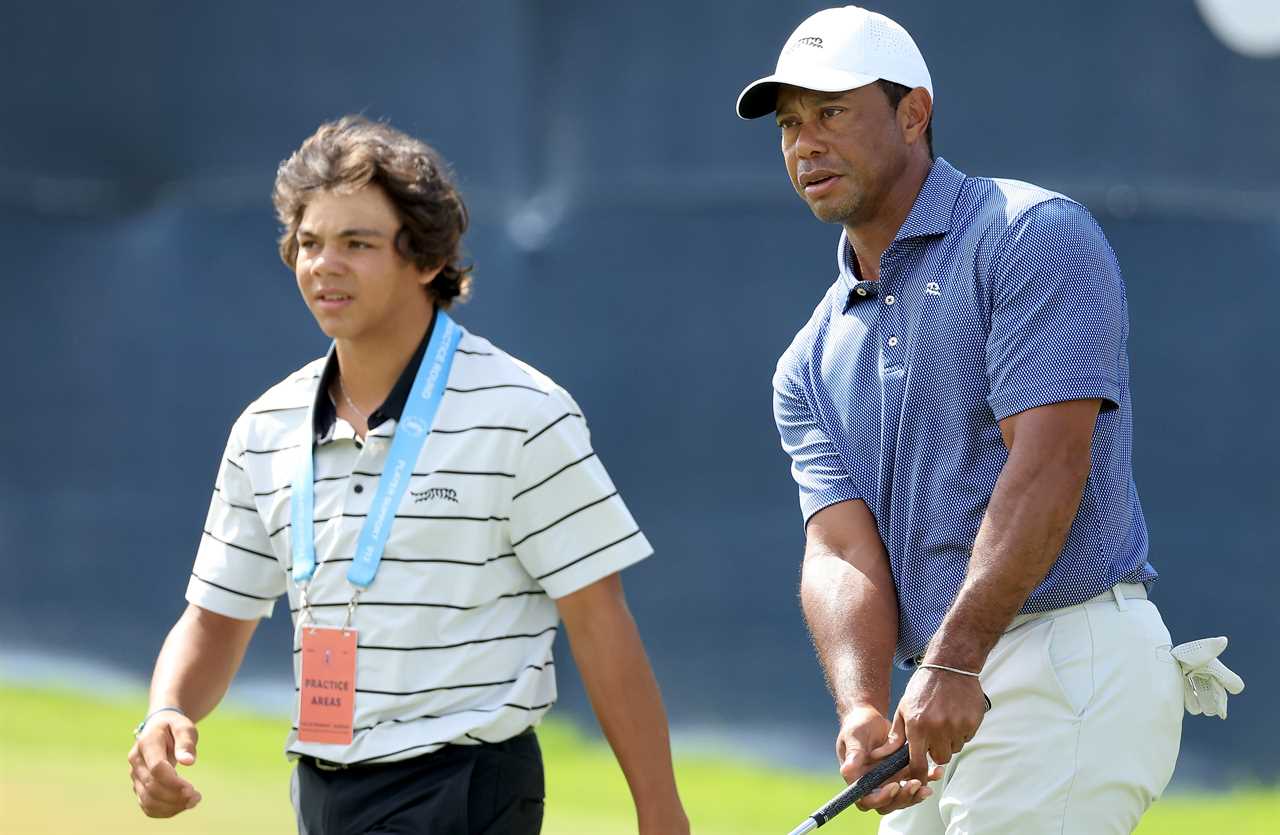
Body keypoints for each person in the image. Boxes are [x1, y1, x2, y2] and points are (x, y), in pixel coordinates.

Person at [126, 115, 690, 835]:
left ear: (425, 259)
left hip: (464, 787)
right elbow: (213, 619)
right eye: (309, 243)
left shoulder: (522, 412)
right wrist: (168, 708)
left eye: (356, 244)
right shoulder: (264, 428)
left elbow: (600, 620)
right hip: (321, 788)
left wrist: (659, 810)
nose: (323, 265)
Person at [736, 6, 1211, 833]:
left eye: (833, 113)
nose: (804, 144)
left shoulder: (1029, 235)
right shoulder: (807, 360)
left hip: (1067, 660)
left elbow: (1050, 466)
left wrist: (954, 656)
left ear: (913, 113)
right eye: (789, 124)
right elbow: (841, 549)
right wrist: (860, 705)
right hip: (941, 693)